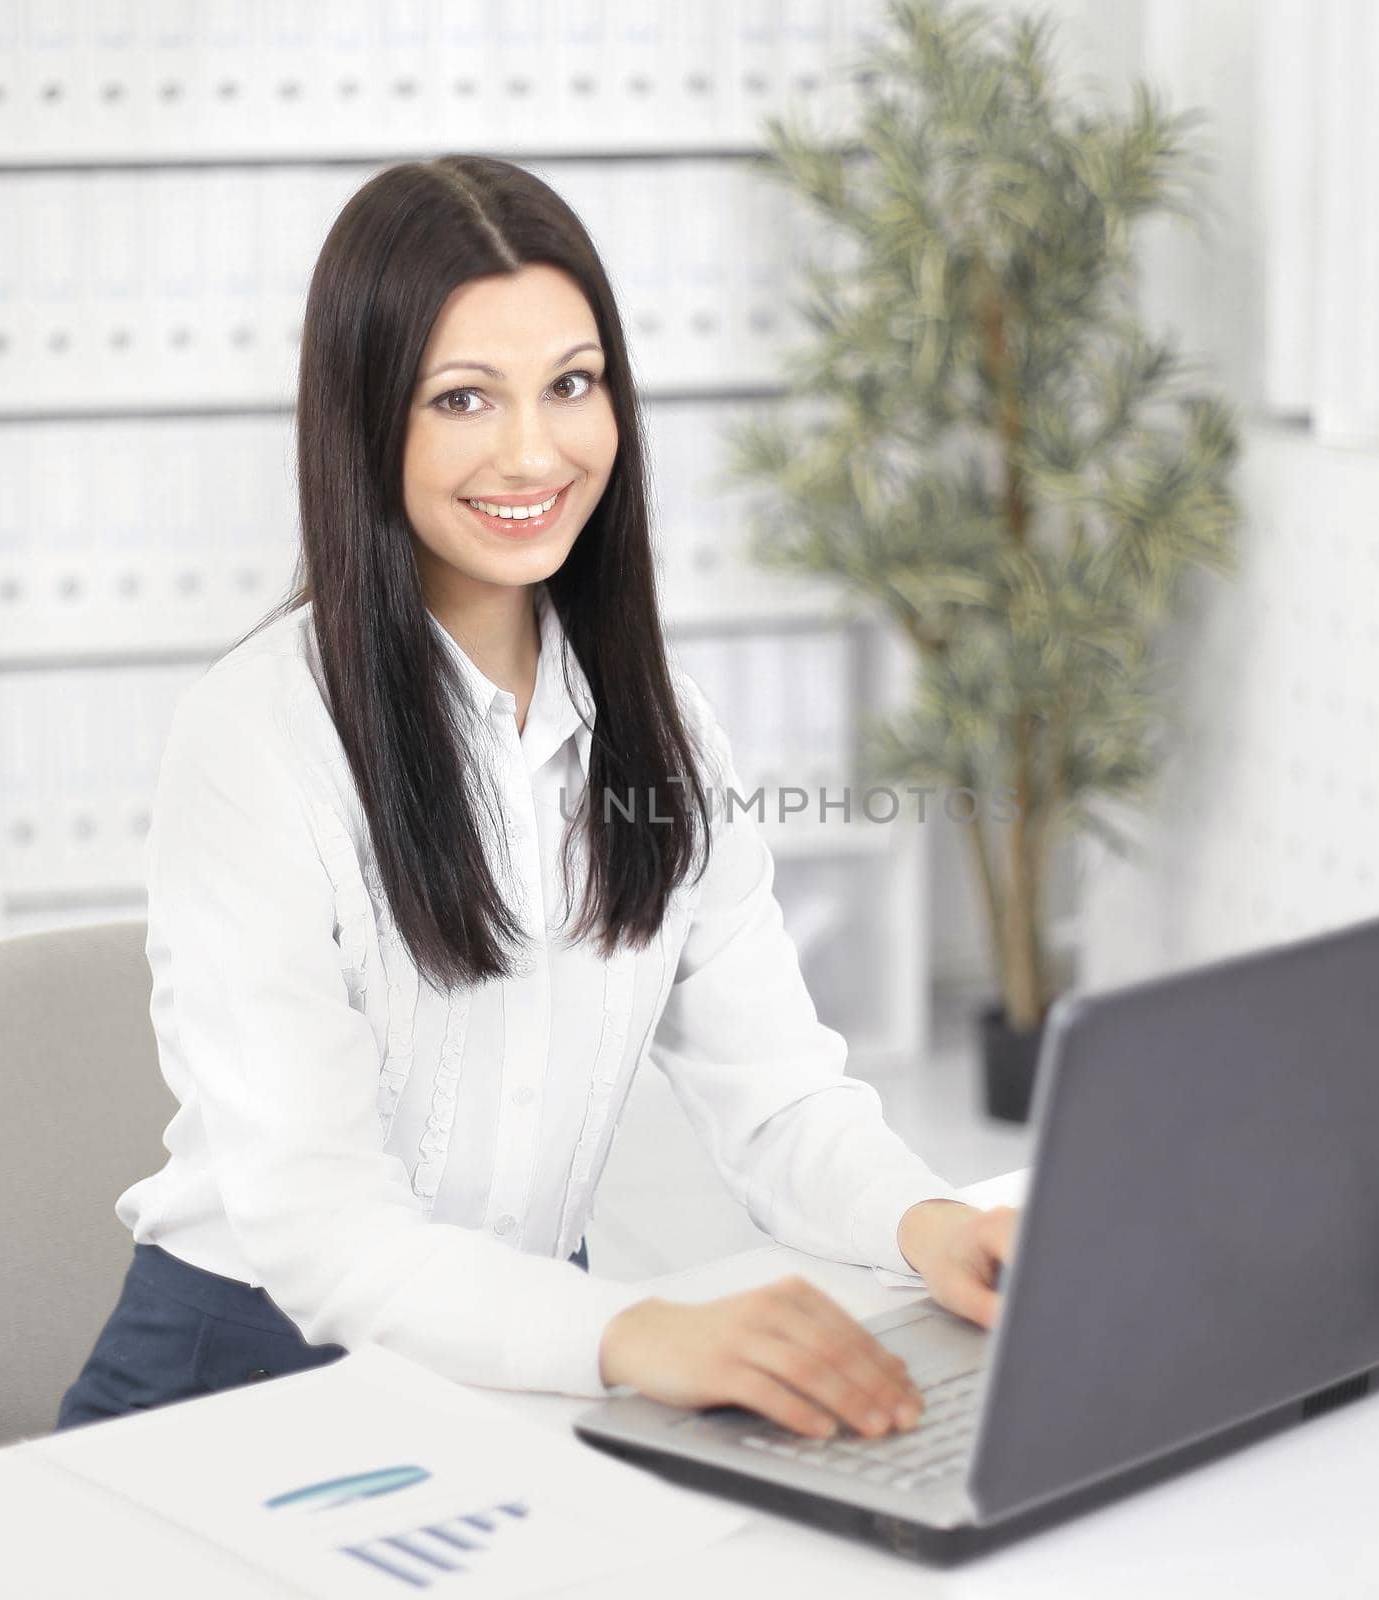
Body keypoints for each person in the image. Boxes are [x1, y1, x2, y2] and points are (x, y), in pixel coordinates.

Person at [56, 155, 1020, 1440]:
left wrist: (932, 1225)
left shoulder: (664, 736)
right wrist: (634, 1331)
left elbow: (780, 1099)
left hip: (524, 1361)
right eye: (462, 397)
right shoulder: (257, 741)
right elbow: (327, 1234)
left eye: (572, 383)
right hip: (240, 1377)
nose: (533, 449)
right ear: (363, 419)